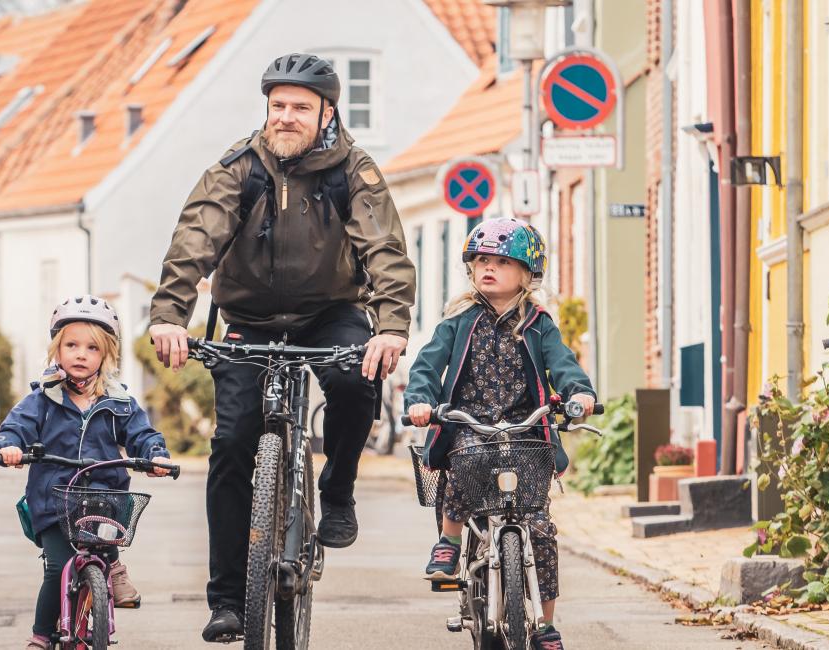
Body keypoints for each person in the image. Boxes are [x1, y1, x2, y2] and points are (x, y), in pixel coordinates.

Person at [146, 52, 416, 642]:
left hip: (331, 311)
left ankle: (337, 486)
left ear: (327, 112)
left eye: (300, 107)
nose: (286, 117)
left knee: (353, 377)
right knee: (232, 443)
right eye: (278, 107)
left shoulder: (354, 171)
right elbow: (195, 238)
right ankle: (227, 599)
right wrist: (170, 315)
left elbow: (386, 252)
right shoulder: (237, 169)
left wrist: (392, 325)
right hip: (250, 317)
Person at [403, 217, 596, 650]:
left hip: (527, 432)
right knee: (464, 463)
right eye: (481, 260)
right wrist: (420, 400)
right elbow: (427, 367)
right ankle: (450, 542)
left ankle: (545, 624)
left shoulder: (539, 324)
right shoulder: (458, 321)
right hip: (471, 425)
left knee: (539, 526)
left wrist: (578, 394)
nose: (488, 268)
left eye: (502, 262)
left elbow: (563, 365)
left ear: (527, 274)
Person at [0, 296, 173, 650]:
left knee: (106, 543)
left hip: (104, 500)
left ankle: (112, 568)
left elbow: (142, 434)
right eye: (71, 345)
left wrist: (155, 455)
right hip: (53, 502)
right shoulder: (42, 400)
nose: (80, 354)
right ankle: (42, 636)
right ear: (56, 350)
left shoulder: (119, 403)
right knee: (57, 566)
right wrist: (8, 447)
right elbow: (15, 428)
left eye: (91, 348)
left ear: (106, 356)